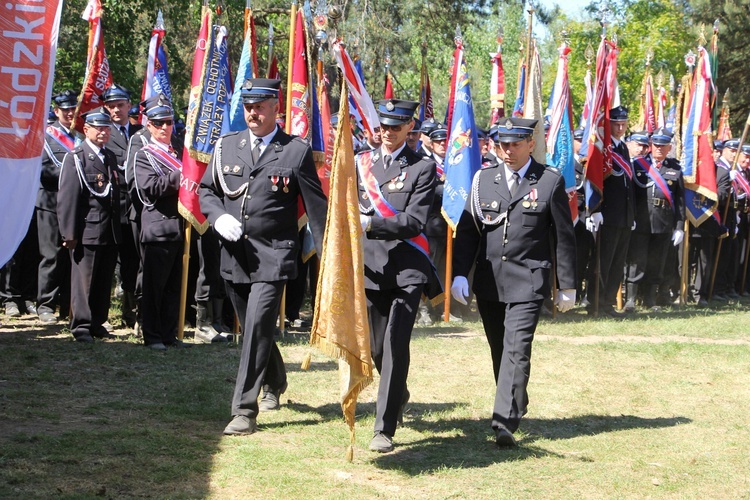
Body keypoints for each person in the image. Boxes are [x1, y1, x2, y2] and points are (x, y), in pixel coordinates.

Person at [199, 78, 327, 435]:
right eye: (248, 107)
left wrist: (330, 255)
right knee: (255, 326)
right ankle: (276, 378)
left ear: (276, 108)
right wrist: (218, 216)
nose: (253, 113)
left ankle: (243, 410)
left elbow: (317, 208)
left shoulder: (295, 150)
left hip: (274, 255)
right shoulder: (228, 146)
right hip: (236, 256)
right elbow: (207, 191)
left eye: (260, 107)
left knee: (256, 328)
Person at [451, 117, 576, 447]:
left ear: (531, 144)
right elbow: (467, 233)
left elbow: (564, 238)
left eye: (515, 144)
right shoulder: (484, 180)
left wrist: (567, 285)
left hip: (529, 281)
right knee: (500, 350)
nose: (508, 151)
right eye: (502, 144)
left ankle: (503, 419)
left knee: (517, 349)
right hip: (491, 281)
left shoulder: (548, 181)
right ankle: (515, 402)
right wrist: (460, 274)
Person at [357, 99, 441, 453]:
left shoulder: (422, 168)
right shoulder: (363, 163)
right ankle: (400, 391)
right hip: (370, 269)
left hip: (407, 269)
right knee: (376, 348)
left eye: (396, 126)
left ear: (410, 128)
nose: (388, 132)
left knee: (393, 344)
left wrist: (370, 223)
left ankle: (384, 428)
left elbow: (413, 221)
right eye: (384, 126)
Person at [57, 109, 122, 342]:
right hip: (87, 230)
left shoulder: (109, 156)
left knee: (103, 280)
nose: (104, 132)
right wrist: (69, 233)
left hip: (108, 230)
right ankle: (81, 325)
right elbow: (68, 198)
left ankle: (97, 322)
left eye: (106, 128)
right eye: (99, 128)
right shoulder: (77, 157)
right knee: (84, 282)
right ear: (86, 130)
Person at [131, 95, 187, 351]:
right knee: (155, 287)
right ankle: (152, 335)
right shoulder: (144, 154)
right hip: (158, 228)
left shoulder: (179, 151)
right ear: (149, 125)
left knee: (173, 287)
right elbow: (149, 188)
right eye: (159, 123)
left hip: (178, 228)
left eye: (169, 122)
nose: (165, 127)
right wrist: (180, 176)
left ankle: (168, 333)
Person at [626, 129, 685, 311]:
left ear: (669, 147)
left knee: (656, 261)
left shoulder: (674, 169)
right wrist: (631, 217)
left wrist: (679, 227)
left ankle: (650, 299)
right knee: (637, 260)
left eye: (663, 146)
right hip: (641, 220)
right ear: (651, 146)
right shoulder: (637, 165)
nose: (659, 149)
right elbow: (630, 196)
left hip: (664, 222)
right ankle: (631, 299)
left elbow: (680, 200)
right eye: (656, 145)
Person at [586, 106, 634, 317]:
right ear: (609, 124)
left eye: (623, 123)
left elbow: (627, 186)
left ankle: (608, 302)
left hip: (623, 216)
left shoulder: (622, 148)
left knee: (616, 263)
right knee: (603, 262)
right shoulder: (603, 148)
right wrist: (595, 209)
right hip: (607, 214)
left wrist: (630, 215)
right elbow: (595, 178)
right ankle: (595, 302)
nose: (620, 127)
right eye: (616, 123)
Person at [36, 90, 79, 323]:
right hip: (50, 202)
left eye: (73, 108)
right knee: (51, 256)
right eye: (66, 110)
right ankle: (45, 305)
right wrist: (75, 175)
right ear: (56, 111)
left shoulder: (81, 135)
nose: (70, 113)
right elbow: (45, 169)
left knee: (72, 256)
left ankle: (68, 304)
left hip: (74, 205)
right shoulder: (46, 134)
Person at [102, 83, 142, 329]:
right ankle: (101, 314)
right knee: (107, 262)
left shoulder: (141, 131)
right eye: (111, 106)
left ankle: (131, 312)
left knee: (132, 261)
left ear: (129, 105)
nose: (116, 110)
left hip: (137, 206)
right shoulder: (102, 131)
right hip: (112, 206)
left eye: (120, 105)